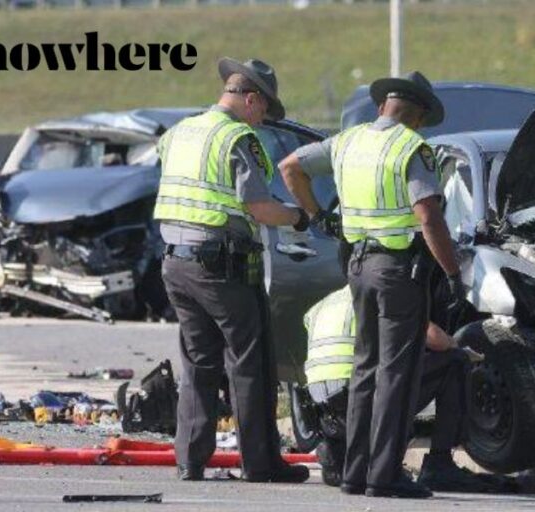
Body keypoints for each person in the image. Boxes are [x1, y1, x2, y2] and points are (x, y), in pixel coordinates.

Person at [279, 71, 466, 498]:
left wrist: (321, 217)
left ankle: (355, 472)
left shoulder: (348, 141)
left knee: (365, 369)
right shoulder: (411, 148)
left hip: (358, 267)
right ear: (417, 117)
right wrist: (452, 273)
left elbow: (291, 168)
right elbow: (428, 216)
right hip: (398, 271)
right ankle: (385, 475)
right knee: (397, 373)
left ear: (383, 107)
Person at [154, 57, 311, 483]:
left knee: (199, 363)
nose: (262, 120)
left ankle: (190, 459)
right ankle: (261, 463)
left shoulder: (180, 132)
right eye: (263, 110)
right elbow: (258, 207)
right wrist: (298, 217)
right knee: (250, 363)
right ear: (250, 98)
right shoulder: (236, 138)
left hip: (175, 263)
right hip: (221, 266)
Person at [303, 285, 500, 493]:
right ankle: (440, 465)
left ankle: (339, 452)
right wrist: (457, 345)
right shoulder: (382, 292)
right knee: (455, 361)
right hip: (359, 403)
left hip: (326, 413)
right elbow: (434, 338)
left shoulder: (320, 306)